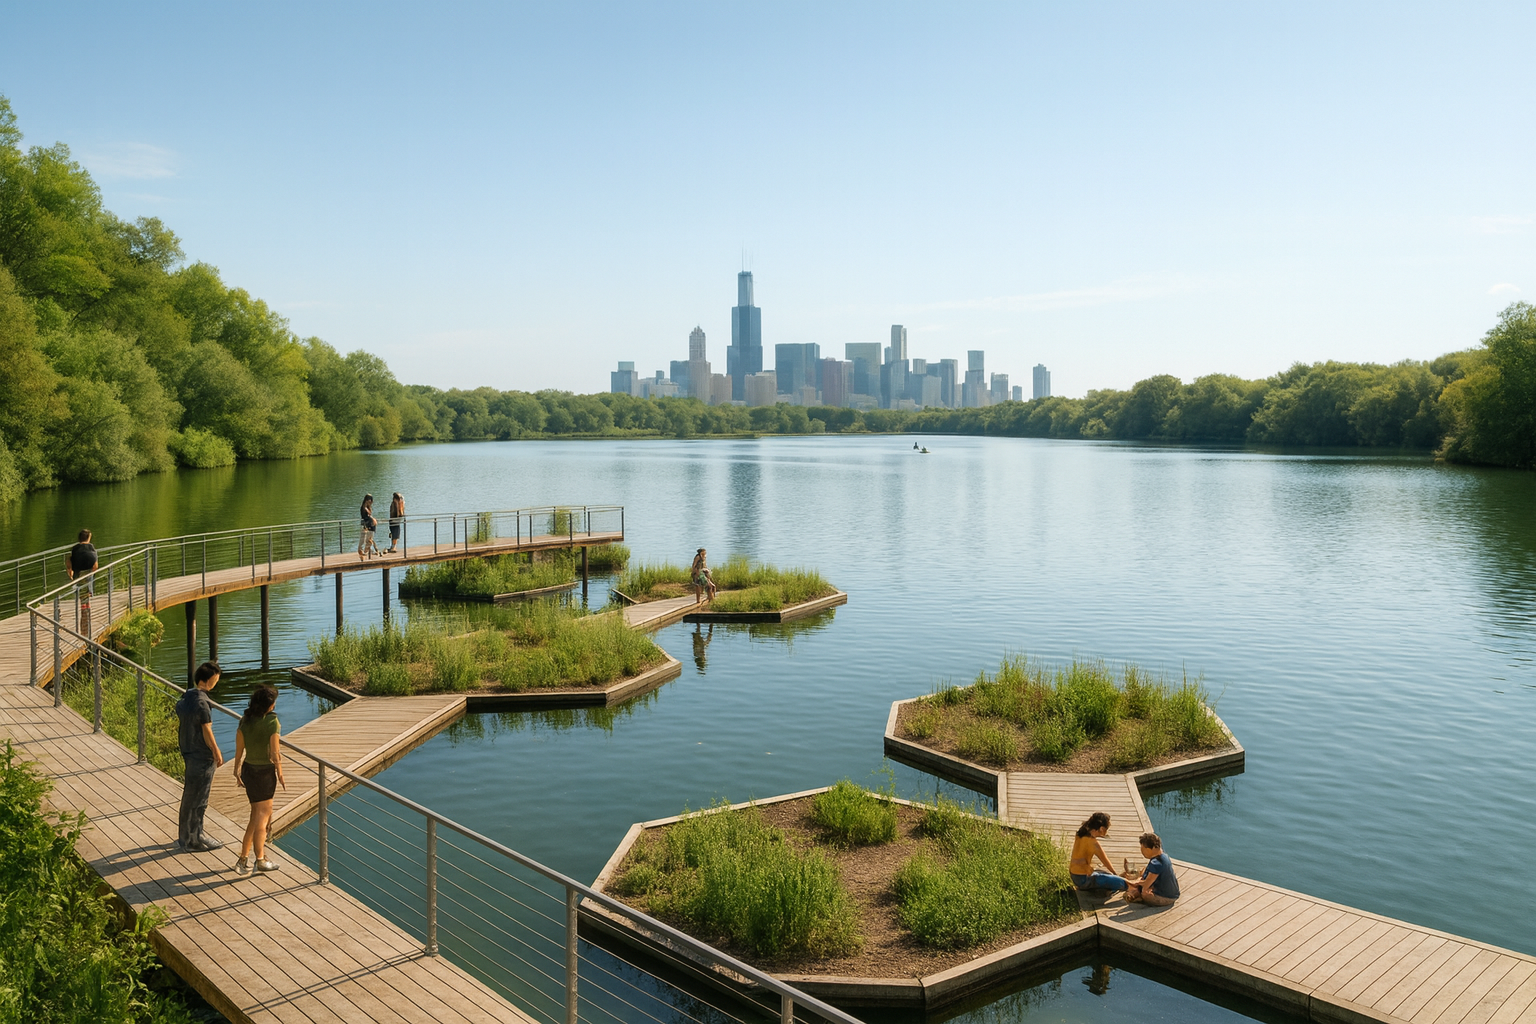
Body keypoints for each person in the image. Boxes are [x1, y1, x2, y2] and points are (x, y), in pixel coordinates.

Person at [231, 685, 285, 875]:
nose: (275, 705)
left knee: (256, 816)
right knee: (262, 818)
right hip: (264, 774)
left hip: (248, 770)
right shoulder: (273, 722)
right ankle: (260, 859)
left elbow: (239, 751)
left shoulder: (245, 721)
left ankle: (243, 859)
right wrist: (280, 772)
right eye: (273, 702)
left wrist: (236, 769)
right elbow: (275, 752)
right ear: (268, 705)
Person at [174, 662, 225, 852]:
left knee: (189, 796)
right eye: (215, 679)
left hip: (188, 750)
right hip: (202, 755)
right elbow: (206, 729)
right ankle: (196, 838)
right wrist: (216, 751)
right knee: (200, 798)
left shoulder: (187, 696)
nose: (216, 682)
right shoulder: (203, 703)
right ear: (206, 680)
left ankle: (184, 837)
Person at [1069, 811, 1127, 892]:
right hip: (1083, 880)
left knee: (1105, 874)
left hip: (1074, 875)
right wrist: (1115, 874)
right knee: (1122, 883)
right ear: (1101, 829)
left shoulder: (1080, 833)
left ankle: (1109, 888)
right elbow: (1105, 860)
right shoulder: (1093, 843)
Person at [1124, 832, 1180, 906]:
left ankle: (1136, 896)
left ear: (1152, 848)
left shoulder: (1156, 864)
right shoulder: (1164, 856)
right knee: (1143, 873)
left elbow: (1146, 885)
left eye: (1143, 848)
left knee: (1142, 893)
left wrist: (1140, 887)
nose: (1142, 851)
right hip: (1174, 894)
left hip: (1166, 898)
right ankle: (1135, 892)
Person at [64, 529, 98, 635]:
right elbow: (95, 566)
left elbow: (69, 560)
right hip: (88, 574)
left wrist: (70, 571)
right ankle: (85, 626)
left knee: (82, 595)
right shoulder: (91, 548)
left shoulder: (75, 549)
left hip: (78, 574)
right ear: (88, 538)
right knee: (86, 595)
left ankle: (84, 621)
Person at [358, 494, 380, 560]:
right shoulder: (364, 508)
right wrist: (373, 519)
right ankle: (364, 551)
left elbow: (369, 515)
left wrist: (373, 519)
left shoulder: (367, 507)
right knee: (366, 539)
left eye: (371, 500)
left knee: (369, 540)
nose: (370, 501)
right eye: (369, 500)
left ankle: (367, 551)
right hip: (367, 525)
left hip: (370, 525)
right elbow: (366, 516)